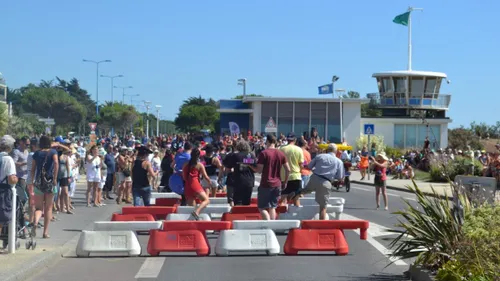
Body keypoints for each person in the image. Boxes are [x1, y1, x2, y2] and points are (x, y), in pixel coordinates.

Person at [292, 143, 344, 220]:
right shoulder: (339, 161)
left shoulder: (319, 156)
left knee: (305, 191)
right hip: (326, 182)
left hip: (315, 178)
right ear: (336, 152)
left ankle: (295, 197)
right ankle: (321, 227)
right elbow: (340, 177)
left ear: (326, 150)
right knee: (323, 207)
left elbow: (309, 167)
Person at [252, 134, 290, 220]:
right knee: (273, 207)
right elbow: (288, 169)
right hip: (277, 184)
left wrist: (250, 166)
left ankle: (268, 224)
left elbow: (259, 170)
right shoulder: (281, 154)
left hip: (266, 183)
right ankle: (272, 226)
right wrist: (285, 181)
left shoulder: (264, 153)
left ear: (268, 141)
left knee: (262, 207)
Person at [29, 136, 59, 238]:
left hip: (38, 182)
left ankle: (36, 222)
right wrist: (55, 177)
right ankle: (45, 232)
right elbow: (55, 163)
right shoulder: (53, 152)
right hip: (50, 181)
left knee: (38, 208)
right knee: (48, 208)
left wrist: (33, 180)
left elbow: (33, 169)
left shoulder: (37, 153)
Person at [223, 140, 256, 205]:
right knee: (247, 201)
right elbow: (255, 169)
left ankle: (238, 214)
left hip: (238, 180)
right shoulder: (252, 155)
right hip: (249, 181)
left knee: (238, 201)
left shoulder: (235, 155)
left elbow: (227, 166)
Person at [0, 135, 18, 251]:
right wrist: (17, 179)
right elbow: (11, 178)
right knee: (1, 219)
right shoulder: (8, 160)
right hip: (3, 190)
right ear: (10, 147)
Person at [182, 148, 210, 220]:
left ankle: (194, 222)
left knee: (192, 208)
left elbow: (184, 177)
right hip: (195, 184)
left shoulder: (185, 164)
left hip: (187, 186)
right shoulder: (199, 165)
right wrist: (209, 183)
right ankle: (197, 212)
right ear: (199, 156)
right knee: (206, 200)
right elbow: (206, 177)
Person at [279, 133, 304, 206]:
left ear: (287, 139)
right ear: (295, 140)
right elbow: (301, 164)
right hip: (296, 176)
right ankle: (297, 215)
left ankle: (281, 215)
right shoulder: (299, 149)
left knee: (283, 198)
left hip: (284, 176)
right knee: (296, 199)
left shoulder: (281, 149)